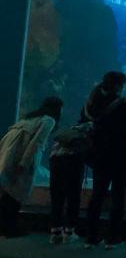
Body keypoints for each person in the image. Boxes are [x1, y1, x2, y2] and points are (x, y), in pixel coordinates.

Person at [82, 71, 126, 248]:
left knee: (97, 195)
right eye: (122, 85)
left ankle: (91, 237)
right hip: (121, 154)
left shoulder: (92, 103)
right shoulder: (122, 105)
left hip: (100, 153)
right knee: (118, 195)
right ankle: (113, 237)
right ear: (118, 86)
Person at [0, 97, 62, 238]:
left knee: (7, 191)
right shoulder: (49, 120)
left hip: (8, 153)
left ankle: (4, 226)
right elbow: (37, 142)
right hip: (21, 156)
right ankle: (9, 227)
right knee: (17, 192)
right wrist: (25, 163)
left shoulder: (29, 118)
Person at [48, 118, 93, 244]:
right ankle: (69, 232)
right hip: (72, 160)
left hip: (55, 159)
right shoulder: (92, 127)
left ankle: (55, 232)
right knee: (73, 196)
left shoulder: (73, 128)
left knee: (57, 196)